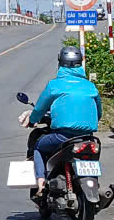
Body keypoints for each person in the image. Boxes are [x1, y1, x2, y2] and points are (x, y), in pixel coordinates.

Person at [20, 47, 101, 194]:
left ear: (60, 63)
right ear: (80, 63)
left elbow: (39, 109)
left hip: (63, 136)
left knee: (39, 146)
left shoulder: (54, 85)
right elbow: (99, 112)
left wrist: (33, 121)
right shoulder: (90, 86)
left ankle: (41, 181)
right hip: (88, 137)